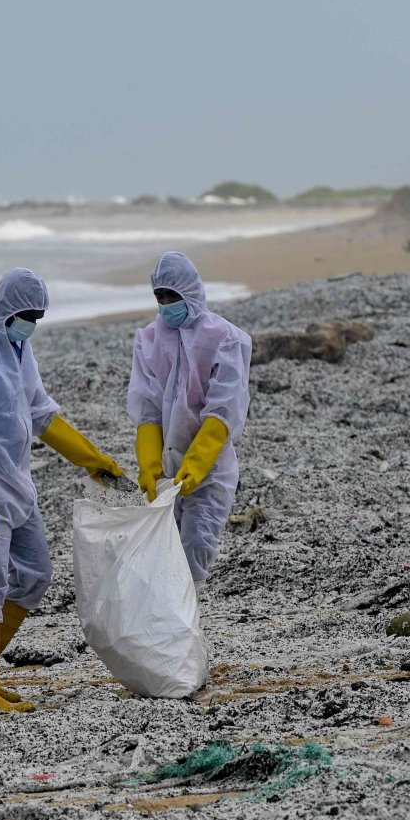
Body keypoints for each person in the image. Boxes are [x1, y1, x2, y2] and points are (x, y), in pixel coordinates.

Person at [0, 268, 124, 711]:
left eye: (37, 316)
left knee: (34, 577)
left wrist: (90, 458)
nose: (31, 322)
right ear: (5, 308)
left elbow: (39, 411)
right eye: (25, 314)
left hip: (16, 482)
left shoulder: (19, 347)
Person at [127, 251, 251, 588]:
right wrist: (149, 465)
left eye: (173, 296)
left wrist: (197, 463)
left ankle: (179, 629)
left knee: (195, 547)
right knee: (164, 556)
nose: (166, 303)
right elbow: (148, 408)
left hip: (210, 469)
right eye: (160, 296)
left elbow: (223, 409)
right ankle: (169, 626)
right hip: (167, 467)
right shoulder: (149, 341)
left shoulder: (225, 338)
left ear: (191, 292)